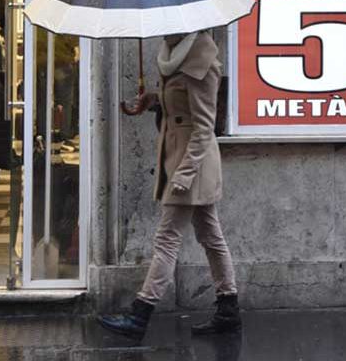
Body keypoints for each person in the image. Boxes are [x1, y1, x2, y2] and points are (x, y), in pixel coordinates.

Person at [97, 30, 240, 339]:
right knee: (210, 235)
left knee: (167, 238)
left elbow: (204, 127)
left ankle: (140, 314)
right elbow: (177, 103)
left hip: (192, 164)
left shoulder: (201, 62)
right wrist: (152, 99)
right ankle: (229, 309)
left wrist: (185, 174)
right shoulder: (172, 54)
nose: (163, 28)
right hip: (177, 157)